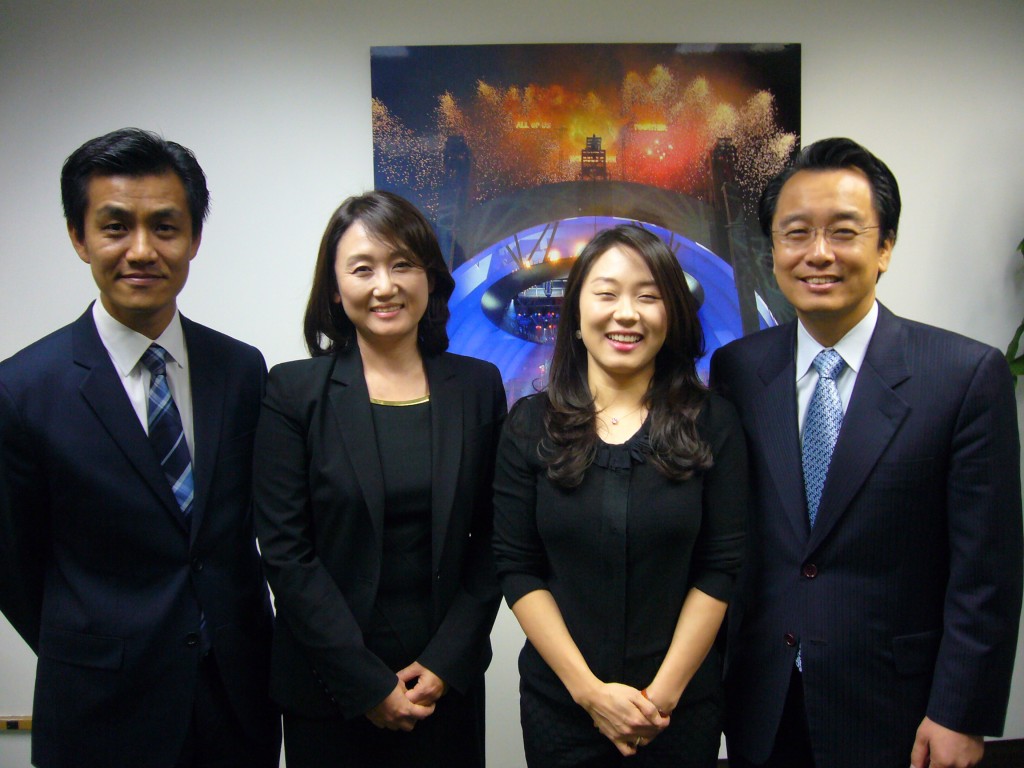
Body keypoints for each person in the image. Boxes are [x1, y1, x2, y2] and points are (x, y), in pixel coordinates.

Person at [710, 137, 1023, 768]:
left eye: (845, 232)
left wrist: (960, 712)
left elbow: (986, 569)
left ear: (885, 247)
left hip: (901, 711)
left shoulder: (963, 375)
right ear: (773, 248)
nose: (818, 254)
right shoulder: (738, 370)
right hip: (761, 701)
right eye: (795, 233)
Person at [0, 128, 280, 767]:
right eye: (116, 227)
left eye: (165, 227)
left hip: (236, 703)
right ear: (79, 237)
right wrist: (98, 642)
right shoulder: (22, 389)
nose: (142, 250)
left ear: (195, 239)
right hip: (100, 706)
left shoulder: (240, 369)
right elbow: (13, 562)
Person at [252, 190, 506, 767]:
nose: (384, 285)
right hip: (328, 685)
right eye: (362, 268)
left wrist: (448, 660)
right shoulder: (293, 392)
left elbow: (496, 539)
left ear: (430, 278)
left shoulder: (477, 386)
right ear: (335, 289)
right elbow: (287, 554)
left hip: (443, 682)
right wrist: (365, 683)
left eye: (402, 264)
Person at [492, 224, 748, 767]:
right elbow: (517, 567)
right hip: (562, 707)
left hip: (677, 711)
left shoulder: (714, 423)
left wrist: (661, 698)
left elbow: (721, 566)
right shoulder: (527, 425)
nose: (626, 313)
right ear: (577, 314)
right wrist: (589, 693)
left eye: (648, 296)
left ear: (671, 315)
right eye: (606, 294)